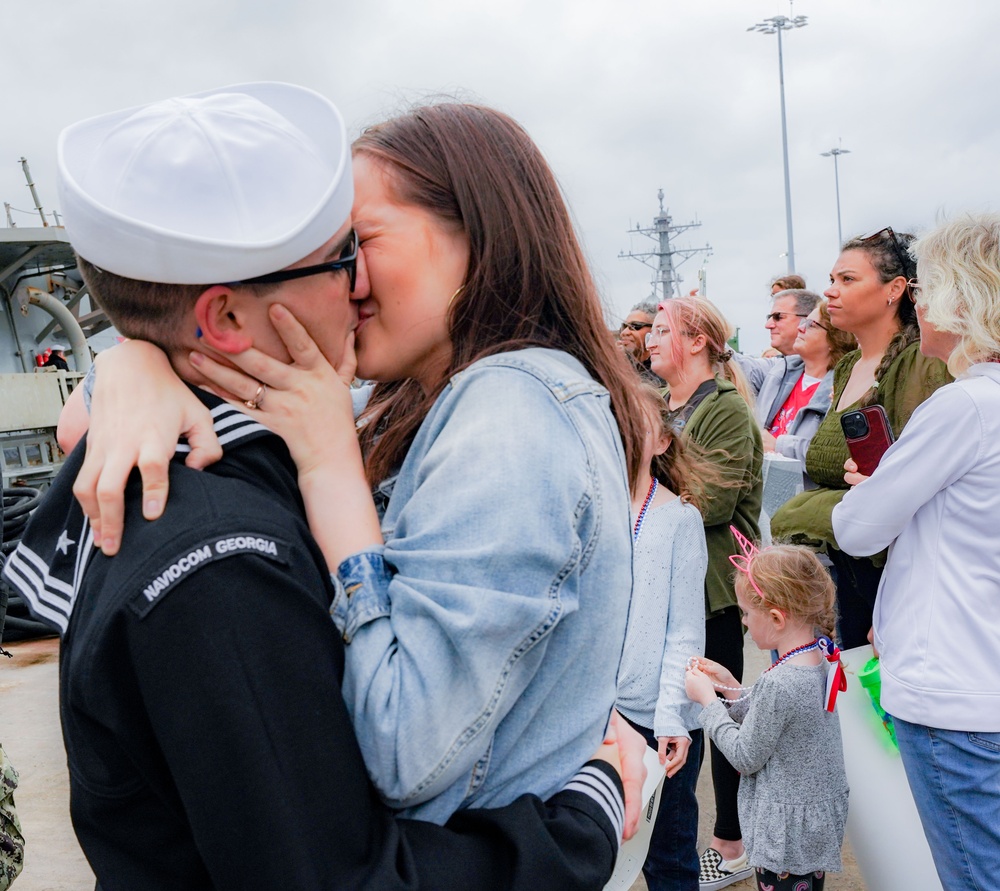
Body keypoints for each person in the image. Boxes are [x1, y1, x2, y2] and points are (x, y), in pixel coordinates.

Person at [1, 84, 638, 890]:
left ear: (478, 233)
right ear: (225, 318)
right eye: (341, 256)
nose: (353, 282)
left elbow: (406, 754)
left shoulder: (504, 410)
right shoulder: (219, 549)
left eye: (358, 242)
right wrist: (132, 361)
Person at [832, 213, 1000, 891]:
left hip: (950, 693)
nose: (920, 301)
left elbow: (857, 529)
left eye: (929, 286)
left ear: (965, 298)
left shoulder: (962, 408)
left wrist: (877, 486)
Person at [770, 228, 950, 648]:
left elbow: (913, 493)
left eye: (847, 280)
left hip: (887, 578)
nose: (829, 292)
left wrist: (803, 510)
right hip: (843, 573)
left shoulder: (918, 363)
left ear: (895, 289)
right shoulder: (849, 364)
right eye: (831, 279)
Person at [645, 296, 762, 891]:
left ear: (697, 341)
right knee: (673, 722)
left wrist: (647, 473)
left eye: (663, 330)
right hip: (665, 589)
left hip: (711, 592)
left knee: (711, 723)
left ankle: (729, 844)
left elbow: (711, 500)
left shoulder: (725, 410)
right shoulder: (665, 406)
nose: (650, 339)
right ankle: (680, 846)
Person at [685, 533, 849, 891]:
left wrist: (709, 705)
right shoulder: (814, 659)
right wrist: (728, 684)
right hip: (807, 825)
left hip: (784, 838)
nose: (742, 622)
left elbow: (746, 755)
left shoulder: (782, 681)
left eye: (745, 613)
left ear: (776, 617)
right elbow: (775, 719)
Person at [616, 383, 708, 891]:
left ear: (663, 443)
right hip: (596, 714)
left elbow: (685, 631)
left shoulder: (679, 519)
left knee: (668, 854)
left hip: (658, 717)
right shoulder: (590, 507)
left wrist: (672, 716)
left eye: (639, 422)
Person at [756, 299, 856, 473]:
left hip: (805, 494)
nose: (800, 328)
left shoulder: (844, 389)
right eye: (803, 322)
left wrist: (778, 444)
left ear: (835, 339)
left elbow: (836, 457)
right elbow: (734, 362)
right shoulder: (780, 369)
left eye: (811, 325)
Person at [617, 300, 662, 383]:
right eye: (624, 327)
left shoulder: (663, 371)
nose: (624, 333)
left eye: (635, 326)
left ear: (654, 330)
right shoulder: (619, 365)